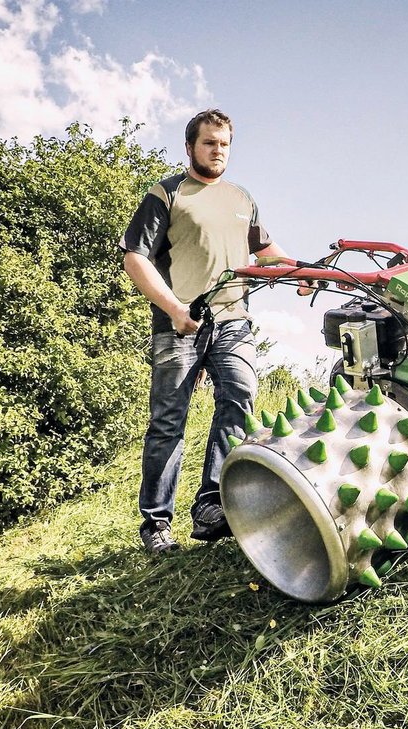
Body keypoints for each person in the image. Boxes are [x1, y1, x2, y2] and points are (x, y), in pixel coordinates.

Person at [119, 108, 289, 555]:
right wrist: (174, 308)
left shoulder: (241, 198)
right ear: (191, 146)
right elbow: (134, 257)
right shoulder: (167, 194)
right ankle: (156, 524)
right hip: (180, 323)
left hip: (233, 319)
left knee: (240, 396)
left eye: (224, 144)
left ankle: (211, 503)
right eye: (210, 143)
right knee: (168, 424)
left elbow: (266, 250)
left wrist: (299, 269)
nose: (218, 151)